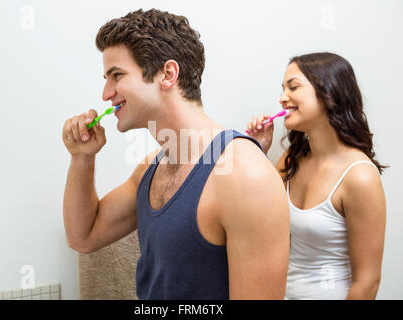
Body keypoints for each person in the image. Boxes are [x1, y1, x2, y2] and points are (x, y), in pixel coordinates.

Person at [62, 9, 290, 299]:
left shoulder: (245, 175)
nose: (106, 94)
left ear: (167, 74)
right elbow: (83, 236)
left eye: (116, 76)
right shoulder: (150, 169)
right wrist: (82, 157)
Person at [247, 52, 386, 300]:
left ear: (329, 93)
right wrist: (260, 149)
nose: (282, 98)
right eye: (282, 89)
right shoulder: (292, 160)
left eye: (293, 87)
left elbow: (367, 283)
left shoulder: (360, 177)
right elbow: (254, 217)